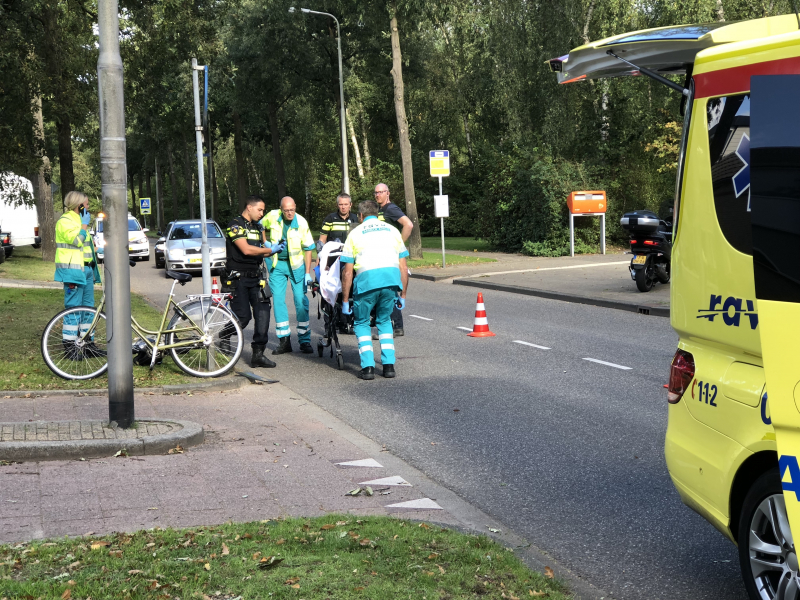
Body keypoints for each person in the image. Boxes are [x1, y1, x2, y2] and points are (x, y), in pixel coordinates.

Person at [340, 200, 409, 380]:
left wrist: (345, 300)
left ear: (360, 216)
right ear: (378, 214)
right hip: (390, 281)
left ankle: (368, 368)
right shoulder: (393, 231)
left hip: (367, 283)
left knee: (362, 323)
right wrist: (403, 295)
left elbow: (347, 272)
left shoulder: (355, 234)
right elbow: (403, 267)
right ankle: (388, 366)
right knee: (384, 321)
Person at [224, 195, 286, 368]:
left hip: (256, 277)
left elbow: (262, 248)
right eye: (259, 210)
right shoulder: (235, 225)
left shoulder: (258, 227)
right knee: (243, 317)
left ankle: (258, 354)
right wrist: (269, 250)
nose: (261, 213)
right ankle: (224, 335)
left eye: (263, 210)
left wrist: (273, 247)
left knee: (263, 315)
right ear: (249, 207)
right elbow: (246, 250)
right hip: (239, 278)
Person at [261, 196, 316, 355]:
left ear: (295, 207)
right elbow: (259, 225)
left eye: (292, 209)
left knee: (300, 301)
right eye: (286, 210)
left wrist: (307, 273)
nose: (290, 213)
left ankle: (304, 340)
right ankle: (284, 340)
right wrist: (265, 242)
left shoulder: (301, 222)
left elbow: (308, 249)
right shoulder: (273, 216)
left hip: (297, 266)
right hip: (277, 264)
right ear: (281, 209)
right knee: (278, 301)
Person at [54, 191, 102, 359]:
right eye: (86, 204)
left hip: (87, 271)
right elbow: (76, 241)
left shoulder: (80, 221)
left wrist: (102, 250)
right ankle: (70, 348)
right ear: (79, 205)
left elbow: (87, 247)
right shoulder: (65, 221)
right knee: (74, 309)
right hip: (73, 272)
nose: (88, 207)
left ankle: (88, 345)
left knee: (88, 309)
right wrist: (84, 225)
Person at [374, 183, 413, 337]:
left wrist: (398, 245)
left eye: (381, 192)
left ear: (388, 193)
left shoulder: (391, 208)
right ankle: (395, 325)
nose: (378, 195)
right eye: (376, 193)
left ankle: (395, 326)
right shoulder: (380, 210)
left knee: (387, 289)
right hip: (382, 254)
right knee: (386, 289)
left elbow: (408, 224)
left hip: (389, 255)